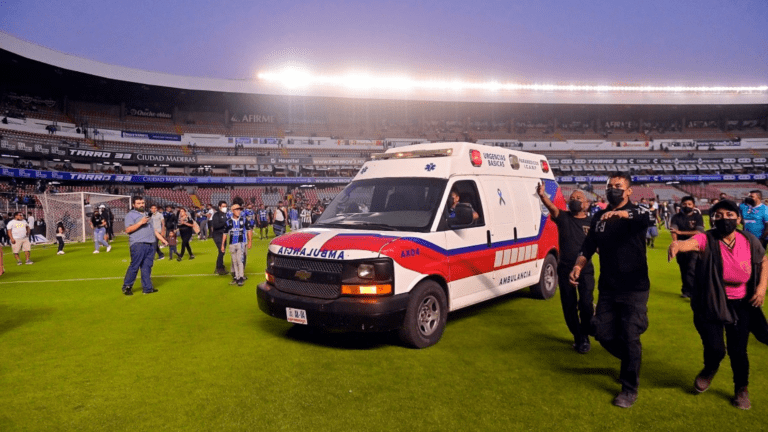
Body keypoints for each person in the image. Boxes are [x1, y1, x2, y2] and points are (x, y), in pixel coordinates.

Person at [668, 200, 768, 410]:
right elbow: (691, 243)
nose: (725, 219)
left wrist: (760, 289)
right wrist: (677, 244)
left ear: (738, 219)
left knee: (738, 350)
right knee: (715, 348)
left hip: (742, 302)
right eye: (719, 215)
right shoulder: (707, 238)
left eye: (730, 215)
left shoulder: (749, 239)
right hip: (711, 302)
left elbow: (763, 261)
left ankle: (741, 389)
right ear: (712, 219)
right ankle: (709, 369)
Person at [569, 172, 650, 408]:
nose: (612, 189)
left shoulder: (637, 214)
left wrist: (623, 214)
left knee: (629, 333)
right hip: (609, 288)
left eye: (618, 186)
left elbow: (645, 216)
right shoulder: (599, 218)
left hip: (634, 287)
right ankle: (630, 360)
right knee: (600, 331)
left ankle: (629, 388)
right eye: (609, 186)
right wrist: (577, 265)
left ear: (628, 191)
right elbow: (588, 246)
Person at [536, 183, 594, 353]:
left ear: (586, 204)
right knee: (569, 306)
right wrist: (542, 195)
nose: (574, 201)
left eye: (579, 199)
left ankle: (586, 330)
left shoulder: (592, 222)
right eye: (572, 198)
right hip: (565, 270)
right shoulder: (564, 217)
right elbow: (552, 208)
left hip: (586, 270)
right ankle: (579, 337)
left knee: (586, 304)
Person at [122, 196, 168, 295]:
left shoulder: (148, 215)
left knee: (147, 266)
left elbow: (153, 230)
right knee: (135, 266)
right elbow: (128, 230)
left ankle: (147, 288)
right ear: (133, 205)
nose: (141, 205)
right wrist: (140, 222)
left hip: (151, 244)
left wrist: (162, 239)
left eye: (142, 203)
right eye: (138, 203)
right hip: (138, 243)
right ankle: (127, 287)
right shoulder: (130, 215)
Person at [671, 196, 705, 298]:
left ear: (694, 206)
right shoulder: (676, 217)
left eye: (689, 204)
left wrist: (680, 232)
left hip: (694, 245)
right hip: (681, 246)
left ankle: (693, 291)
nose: (687, 206)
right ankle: (685, 290)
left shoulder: (697, 217)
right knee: (683, 269)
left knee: (691, 268)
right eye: (685, 204)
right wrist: (675, 243)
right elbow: (673, 231)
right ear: (681, 205)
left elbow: (699, 232)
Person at [221, 203, 252, 286]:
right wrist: (222, 245)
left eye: (239, 209)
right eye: (237, 209)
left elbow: (249, 230)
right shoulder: (228, 222)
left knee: (240, 260)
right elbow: (225, 233)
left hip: (241, 243)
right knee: (234, 261)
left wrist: (250, 241)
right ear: (232, 211)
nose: (239, 211)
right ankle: (237, 277)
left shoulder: (244, 219)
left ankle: (241, 277)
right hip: (232, 243)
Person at [211, 200, 229, 275]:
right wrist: (225, 223)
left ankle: (219, 265)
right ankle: (220, 268)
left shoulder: (226, 214)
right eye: (223, 206)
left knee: (222, 251)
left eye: (225, 206)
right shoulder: (216, 215)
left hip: (223, 235)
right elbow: (215, 226)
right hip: (217, 234)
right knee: (222, 250)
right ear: (219, 207)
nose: (225, 208)